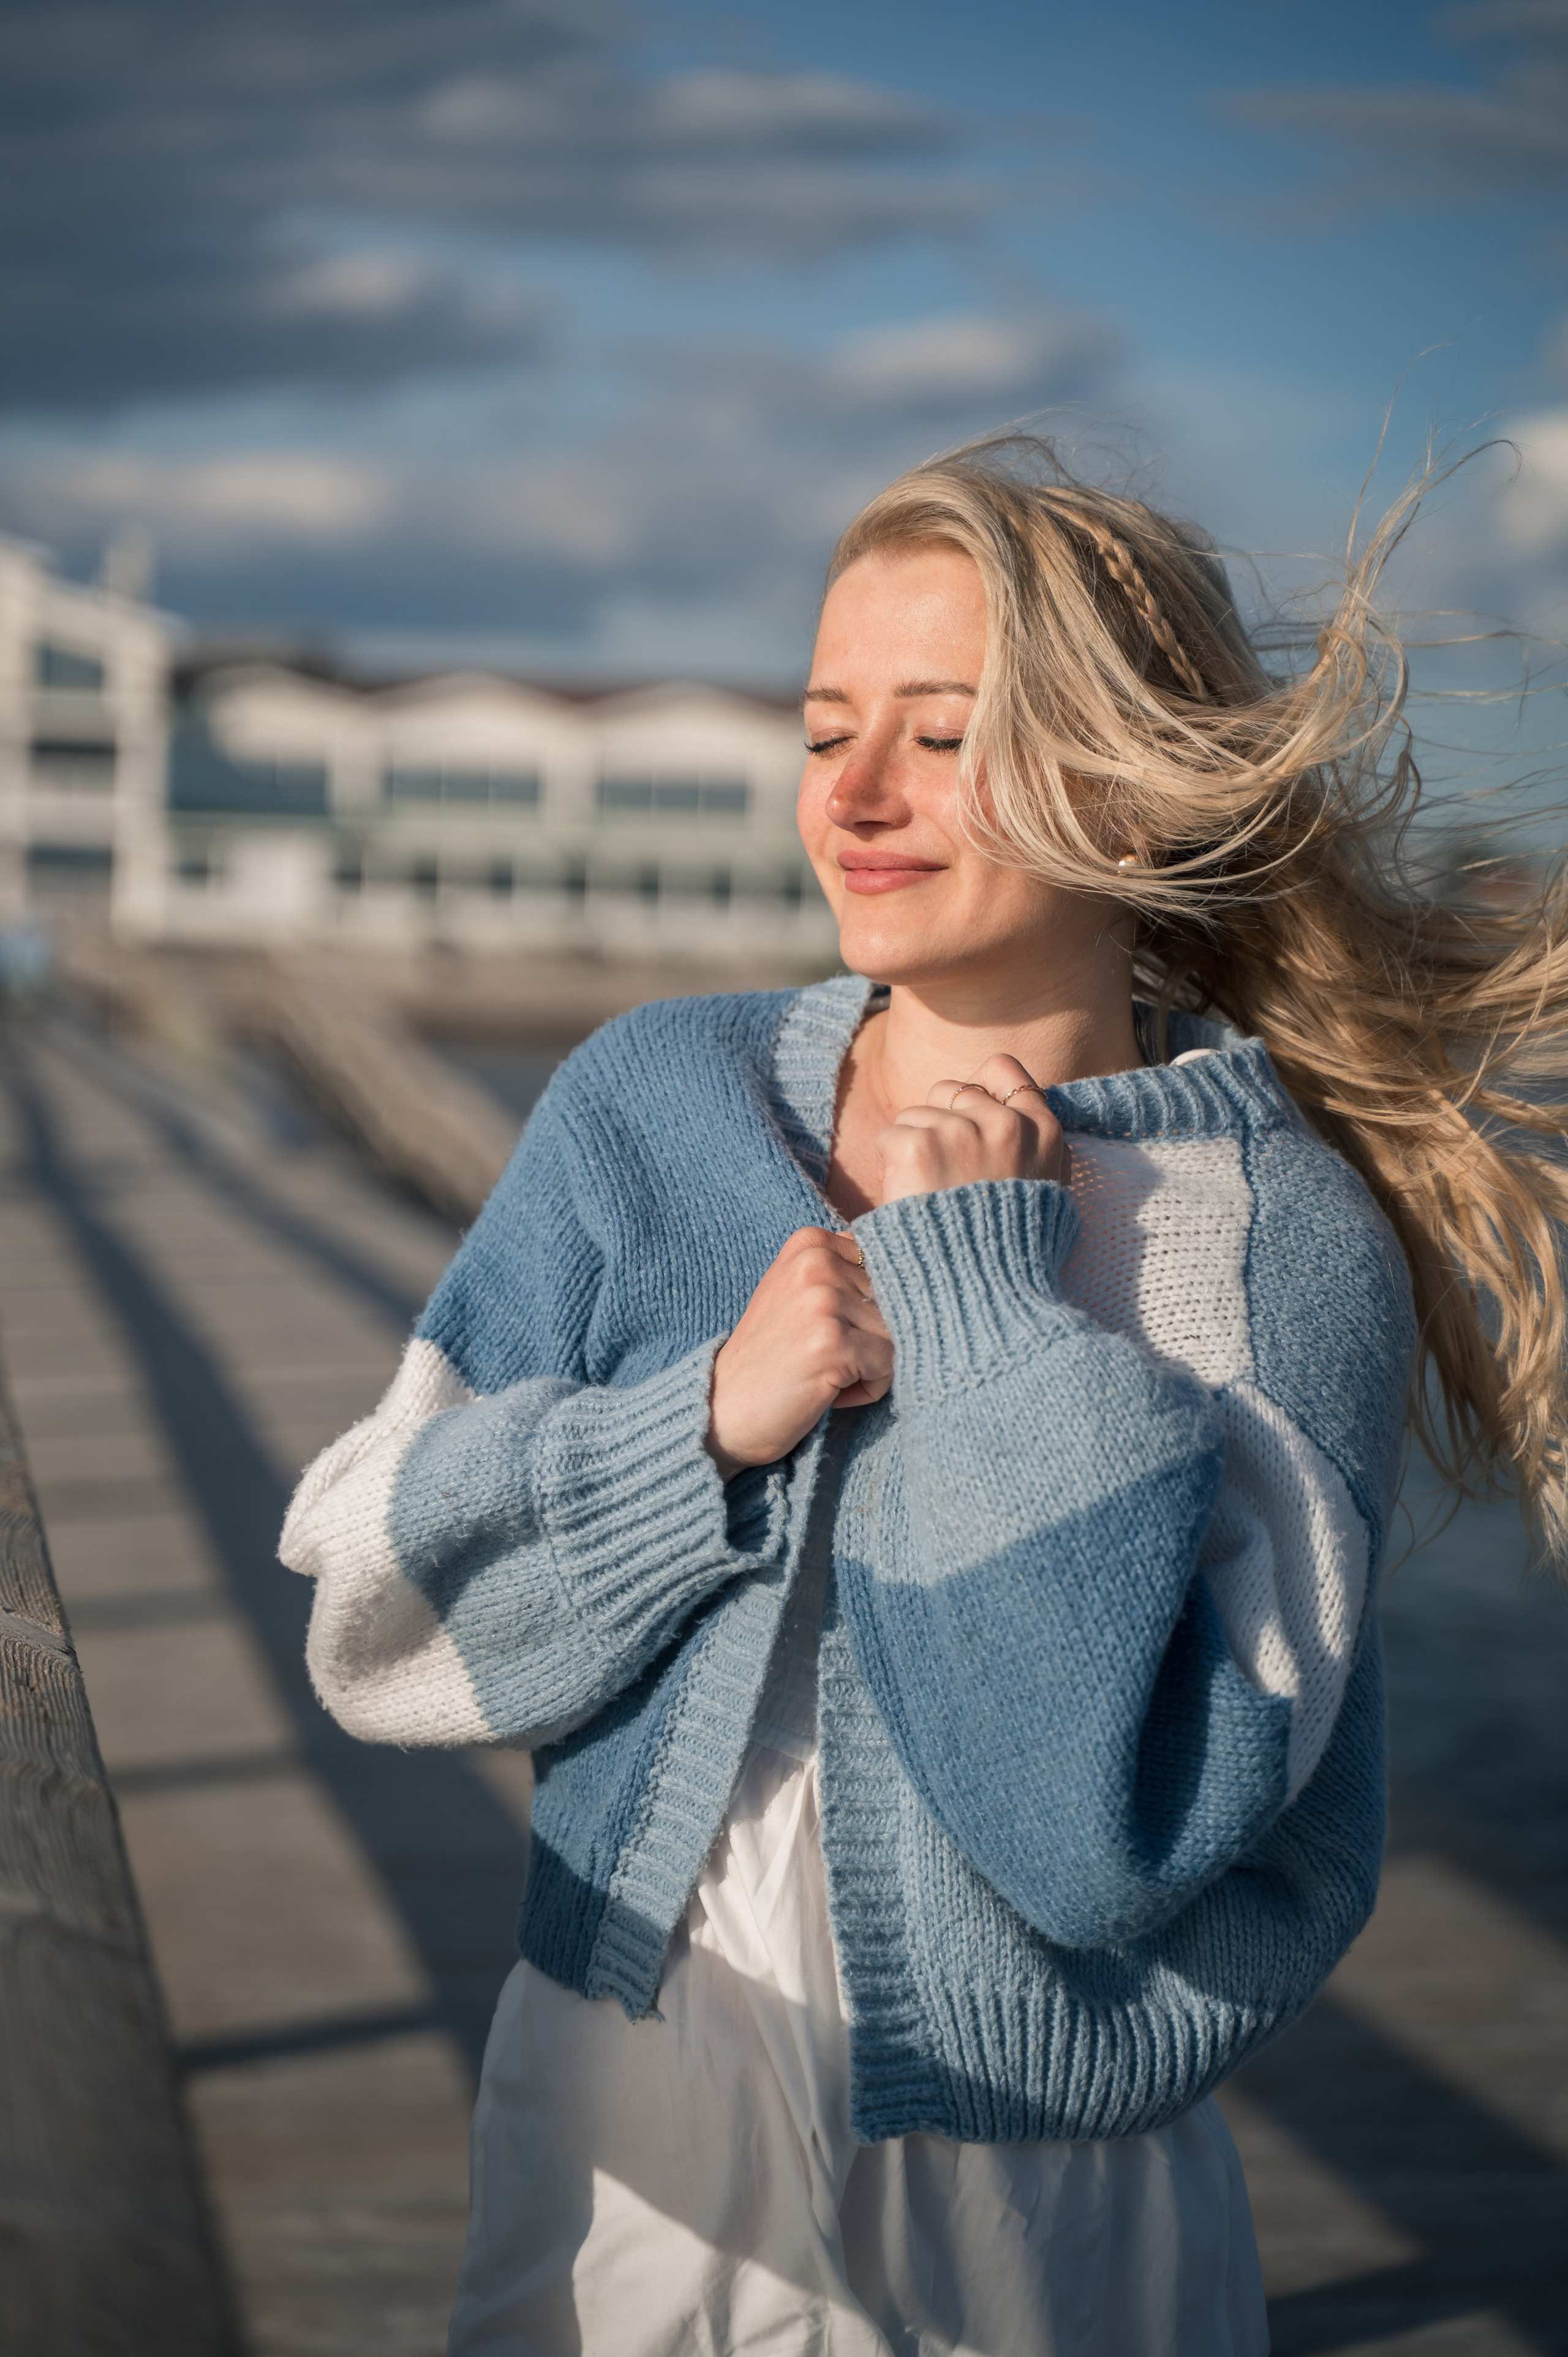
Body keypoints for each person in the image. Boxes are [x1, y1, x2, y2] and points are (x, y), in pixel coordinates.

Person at [280, 436, 1568, 2356]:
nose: (858, 797)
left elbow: (1091, 1839)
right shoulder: (654, 1106)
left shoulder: (1273, 1244)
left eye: (943, 734)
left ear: (1128, 792)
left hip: (1034, 2203)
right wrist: (702, 1424)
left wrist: (989, 1324)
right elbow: (374, 1617)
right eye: (824, 731)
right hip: (612, 2104)